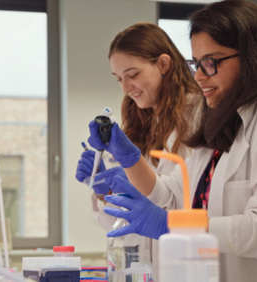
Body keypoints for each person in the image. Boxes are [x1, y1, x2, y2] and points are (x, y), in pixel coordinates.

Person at [87, 1, 257, 281]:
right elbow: (174, 194)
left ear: (255, 55)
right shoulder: (229, 121)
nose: (199, 76)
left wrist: (171, 225)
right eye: (196, 63)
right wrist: (130, 160)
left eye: (211, 62)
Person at [75, 22, 202, 280]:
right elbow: (128, 227)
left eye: (133, 75)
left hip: (187, 264)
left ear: (163, 64)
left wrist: (131, 164)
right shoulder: (141, 121)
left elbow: (177, 201)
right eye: (120, 79)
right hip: (148, 270)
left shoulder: (199, 114)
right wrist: (105, 193)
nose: (125, 87)